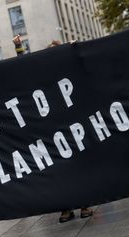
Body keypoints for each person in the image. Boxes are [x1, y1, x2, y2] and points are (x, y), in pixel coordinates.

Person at [13, 36, 93, 223]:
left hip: (72, 127)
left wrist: (75, 49)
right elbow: (24, 67)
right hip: (52, 130)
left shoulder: (69, 71)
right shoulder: (42, 75)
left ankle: (85, 205)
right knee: (60, 169)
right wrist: (18, 47)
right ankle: (65, 208)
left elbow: (83, 64)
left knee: (78, 167)